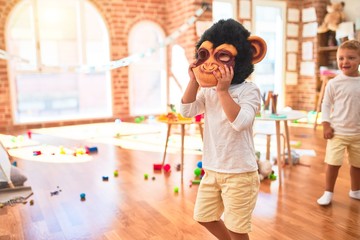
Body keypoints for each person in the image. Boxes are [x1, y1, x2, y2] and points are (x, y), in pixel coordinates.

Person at [180, 19, 266, 240]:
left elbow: (239, 121)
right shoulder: (208, 91)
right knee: (203, 215)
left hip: (240, 173)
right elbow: (187, 111)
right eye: (204, 54)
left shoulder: (250, 90)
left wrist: (223, 91)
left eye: (222, 55)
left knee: (237, 228)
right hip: (212, 168)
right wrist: (194, 81)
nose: (210, 63)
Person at [317, 39, 360, 206]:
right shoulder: (334, 83)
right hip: (337, 132)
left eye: (351, 58)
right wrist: (326, 124)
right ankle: (328, 192)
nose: (345, 61)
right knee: (333, 163)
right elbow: (326, 105)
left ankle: (355, 190)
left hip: (358, 133)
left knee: (357, 165)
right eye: (341, 58)